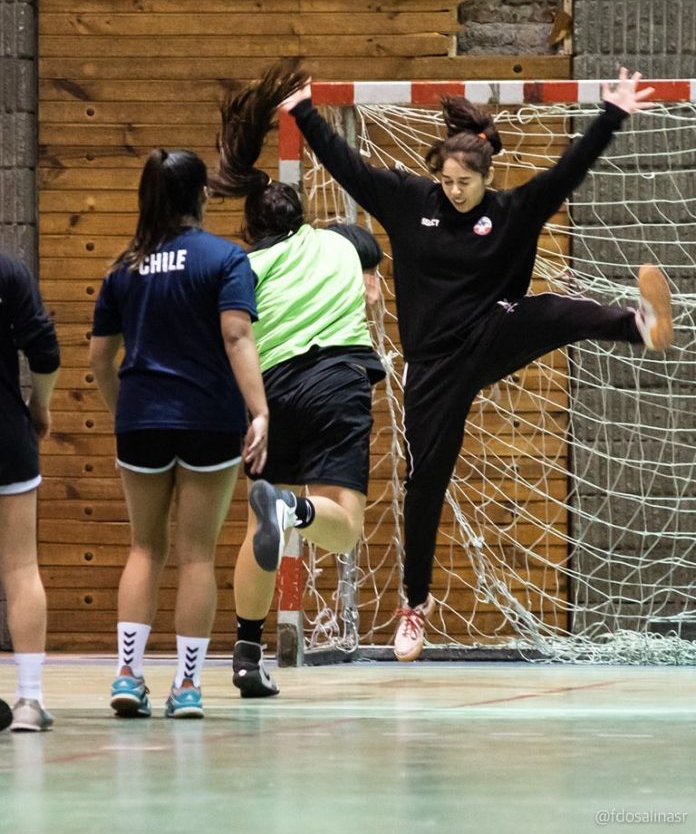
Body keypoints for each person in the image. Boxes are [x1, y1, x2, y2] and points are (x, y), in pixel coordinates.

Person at [279, 66, 674, 661]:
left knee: (552, 311)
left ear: (486, 178)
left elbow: (567, 172)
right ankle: (414, 606)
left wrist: (613, 113)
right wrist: (305, 113)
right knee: (425, 481)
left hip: (491, 331)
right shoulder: (412, 202)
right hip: (433, 365)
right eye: (446, 179)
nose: (453, 189)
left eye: (464, 182)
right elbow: (352, 171)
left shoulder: (513, 212)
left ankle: (637, 326)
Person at [210, 61, 385, 697]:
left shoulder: (241, 266)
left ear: (249, 229)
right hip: (338, 379)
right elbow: (373, 261)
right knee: (341, 525)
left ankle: (246, 655)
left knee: (257, 533)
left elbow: (232, 339)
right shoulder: (344, 240)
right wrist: (368, 284)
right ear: (302, 216)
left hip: (273, 393)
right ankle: (295, 509)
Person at [89, 148, 268, 718]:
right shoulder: (226, 259)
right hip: (209, 420)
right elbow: (237, 337)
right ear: (203, 197)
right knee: (196, 554)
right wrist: (259, 411)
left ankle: (127, 675)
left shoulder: (122, 267)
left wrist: (126, 408)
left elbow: (99, 359)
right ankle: (187, 687)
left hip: (141, 419)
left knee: (144, 548)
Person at [0, 252, 60, 731]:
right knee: (21, 567)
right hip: (5, 432)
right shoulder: (8, 269)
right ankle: (28, 701)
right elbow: (44, 350)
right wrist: (40, 407)